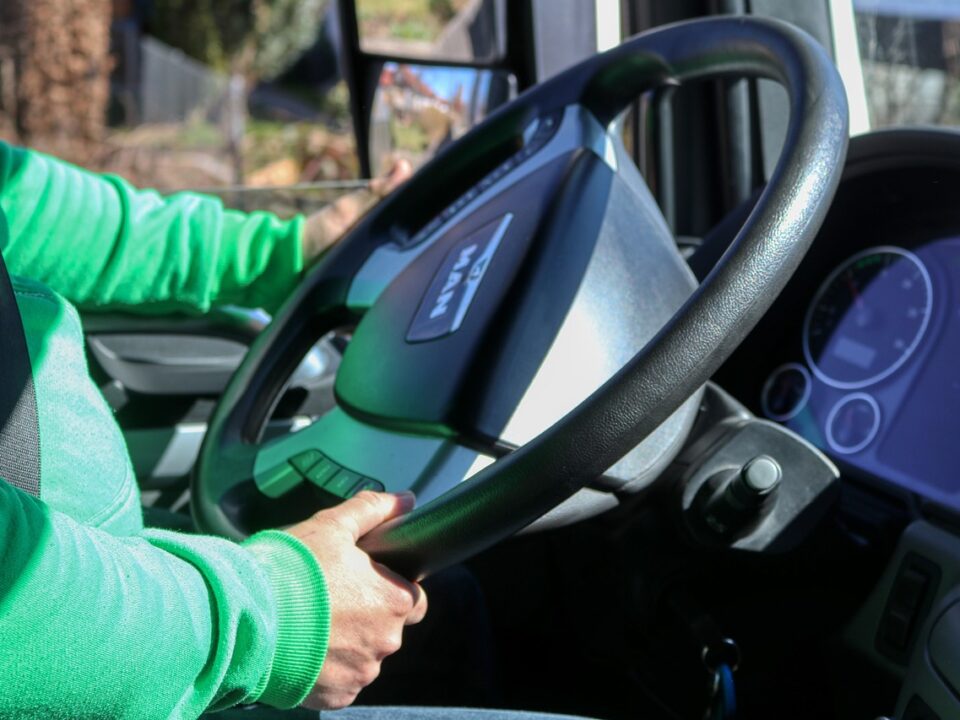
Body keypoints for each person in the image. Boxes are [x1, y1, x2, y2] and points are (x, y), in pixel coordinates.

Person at [0, 142, 594, 720]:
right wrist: (275, 617)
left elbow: (25, 205)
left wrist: (287, 251)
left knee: (452, 604)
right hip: (89, 664)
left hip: (105, 603)